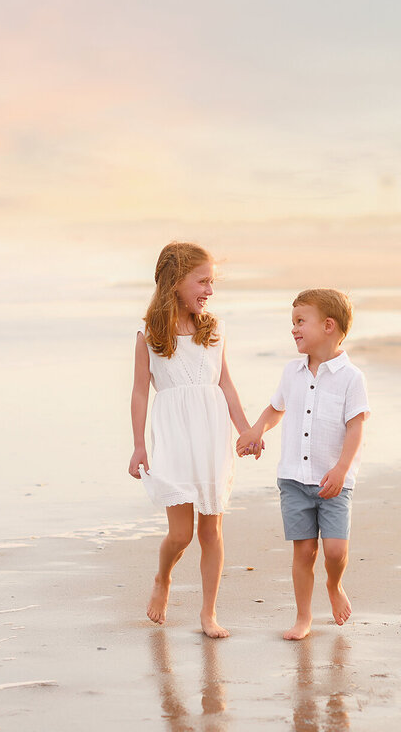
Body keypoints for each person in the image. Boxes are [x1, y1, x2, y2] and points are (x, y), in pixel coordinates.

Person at [129, 242, 252, 639]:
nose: (210, 291)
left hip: (212, 438)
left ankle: (208, 613)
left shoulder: (213, 333)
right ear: (176, 282)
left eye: (211, 282)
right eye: (203, 281)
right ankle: (162, 578)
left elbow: (227, 386)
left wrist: (246, 429)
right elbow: (139, 393)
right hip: (175, 441)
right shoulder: (149, 336)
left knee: (211, 531)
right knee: (180, 534)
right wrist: (138, 445)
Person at [236, 288, 370, 640]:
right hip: (294, 478)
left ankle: (335, 584)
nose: (293, 329)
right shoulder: (291, 372)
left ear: (328, 325)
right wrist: (255, 430)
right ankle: (303, 617)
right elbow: (275, 410)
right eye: (292, 322)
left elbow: (356, 428)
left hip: (333, 481)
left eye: (300, 321)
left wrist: (342, 469)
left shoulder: (351, 378)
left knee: (335, 550)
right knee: (305, 550)